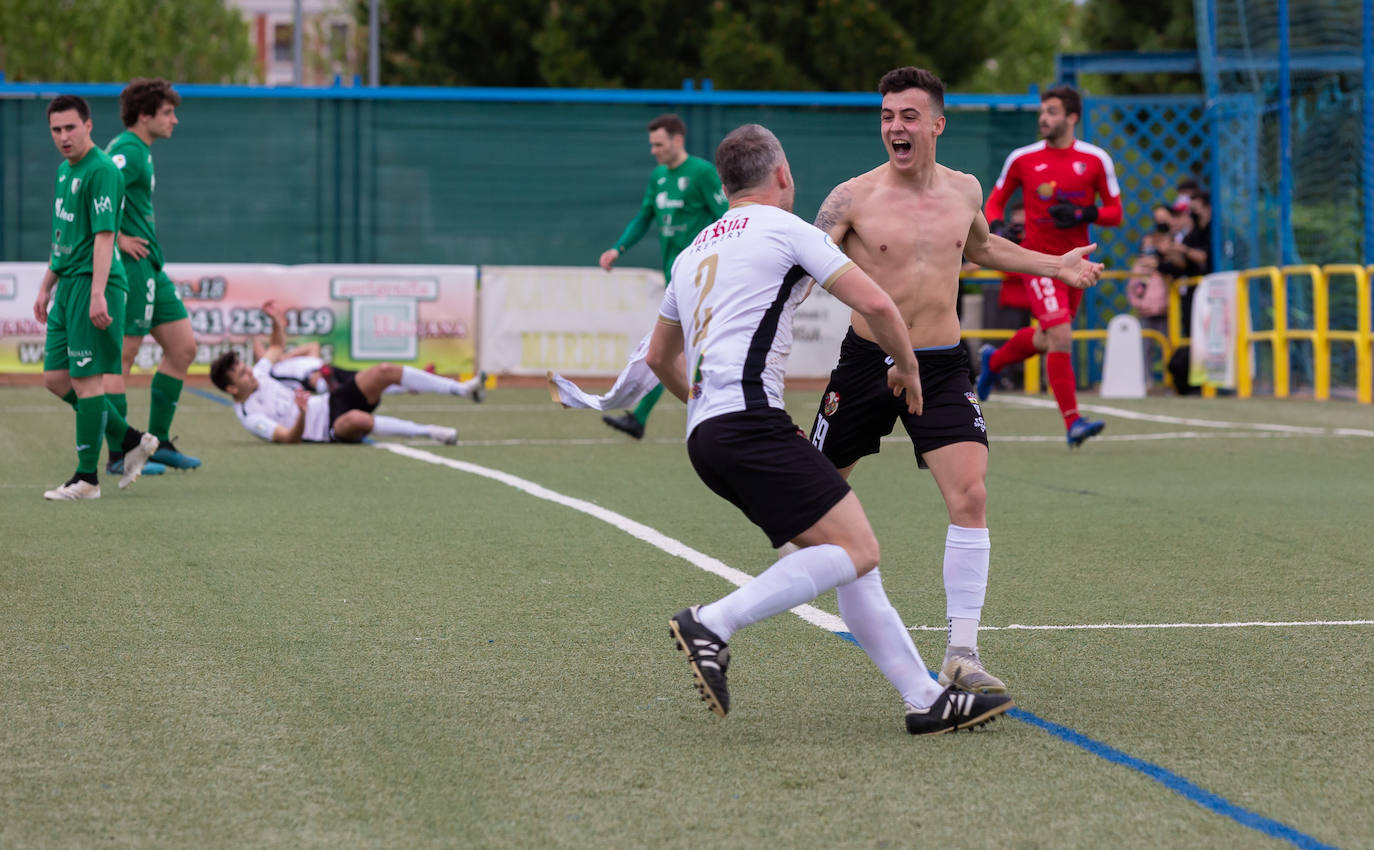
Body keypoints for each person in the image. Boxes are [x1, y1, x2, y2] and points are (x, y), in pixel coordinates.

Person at [651, 123, 1014, 735]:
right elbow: (875, 304)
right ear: (783, 177)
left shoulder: (695, 251)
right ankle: (713, 621)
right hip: (751, 424)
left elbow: (660, 356)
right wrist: (906, 366)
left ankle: (925, 698)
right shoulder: (786, 228)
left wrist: (703, 399)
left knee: (847, 556)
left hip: (705, 433)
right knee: (857, 550)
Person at [807, 67, 1103, 695]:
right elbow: (802, 264)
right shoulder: (851, 197)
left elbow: (986, 250)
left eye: (908, 116)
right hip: (866, 363)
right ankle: (835, 591)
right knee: (811, 498)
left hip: (940, 365)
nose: (895, 126)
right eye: (888, 115)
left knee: (970, 495)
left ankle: (962, 653)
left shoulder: (965, 190)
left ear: (936, 124)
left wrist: (1058, 264)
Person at [978, 84, 1123, 447]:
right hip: (1038, 263)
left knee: (1048, 337)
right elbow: (993, 203)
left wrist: (1082, 213)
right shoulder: (1022, 159)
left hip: (1076, 266)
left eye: (1052, 111)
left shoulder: (1095, 160)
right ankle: (1073, 422)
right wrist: (998, 228)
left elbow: (1115, 213)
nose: (1044, 117)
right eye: (1043, 110)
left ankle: (994, 362)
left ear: (1072, 117)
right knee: (1059, 333)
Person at [33, 95, 161, 500]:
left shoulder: (103, 170)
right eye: (56, 130)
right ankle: (132, 439)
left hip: (95, 284)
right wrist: (46, 284)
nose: (63, 136)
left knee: (88, 382)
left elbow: (105, 236)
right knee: (56, 379)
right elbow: (65, 237)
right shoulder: (62, 171)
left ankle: (86, 479)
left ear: (89, 125)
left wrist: (98, 292)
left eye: (71, 127)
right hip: (68, 285)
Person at [597, 113, 728, 440]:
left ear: (677, 140)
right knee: (673, 351)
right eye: (652, 145)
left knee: (668, 351)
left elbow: (727, 217)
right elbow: (644, 217)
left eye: (659, 144)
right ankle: (649, 417)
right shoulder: (658, 177)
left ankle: (709, 413)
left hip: (701, 278)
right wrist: (618, 248)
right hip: (675, 279)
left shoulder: (702, 173)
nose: (654, 150)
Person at [209, 300, 485, 445]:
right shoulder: (250, 416)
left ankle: (462, 389)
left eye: (246, 368)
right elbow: (288, 439)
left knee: (384, 370)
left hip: (330, 401)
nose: (251, 374)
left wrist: (274, 321)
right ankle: (430, 433)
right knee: (357, 420)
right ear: (232, 389)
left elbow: (278, 346)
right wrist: (303, 413)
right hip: (326, 429)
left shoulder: (261, 373)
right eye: (243, 375)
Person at [104, 77, 201, 475]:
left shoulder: (141, 150)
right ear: (144, 116)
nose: (174, 120)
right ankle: (118, 453)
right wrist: (120, 238)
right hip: (131, 266)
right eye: (167, 113)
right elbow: (94, 189)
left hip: (152, 266)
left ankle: (155, 444)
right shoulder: (126, 149)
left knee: (183, 348)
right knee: (123, 356)